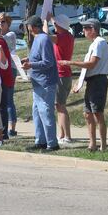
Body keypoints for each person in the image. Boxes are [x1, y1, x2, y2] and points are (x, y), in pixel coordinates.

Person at [60, 18, 108, 152]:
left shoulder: (100, 43)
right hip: (91, 81)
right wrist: (79, 81)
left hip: (98, 81)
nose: (83, 31)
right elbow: (87, 68)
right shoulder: (93, 44)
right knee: (87, 113)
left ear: (93, 29)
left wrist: (70, 63)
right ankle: (92, 144)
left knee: (98, 113)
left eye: (85, 28)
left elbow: (92, 64)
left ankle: (103, 145)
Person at [22, 16, 59, 151]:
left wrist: (30, 64)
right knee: (37, 113)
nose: (28, 29)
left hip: (45, 83)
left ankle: (52, 143)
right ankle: (40, 141)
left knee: (45, 112)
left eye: (29, 26)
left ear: (34, 27)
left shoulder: (43, 39)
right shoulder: (37, 39)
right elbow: (39, 57)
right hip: (37, 83)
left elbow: (48, 62)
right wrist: (28, 59)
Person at [48, 13, 75, 144]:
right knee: (59, 106)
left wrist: (45, 22)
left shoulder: (62, 37)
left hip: (61, 74)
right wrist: (52, 18)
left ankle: (67, 136)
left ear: (59, 25)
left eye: (55, 24)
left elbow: (45, 36)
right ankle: (62, 134)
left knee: (60, 106)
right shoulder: (68, 35)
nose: (54, 25)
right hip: (65, 74)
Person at [0, 13, 19, 136]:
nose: (0, 24)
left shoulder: (11, 35)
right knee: (1, 99)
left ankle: (12, 127)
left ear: (8, 23)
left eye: (3, 22)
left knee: (9, 98)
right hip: (0, 68)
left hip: (11, 68)